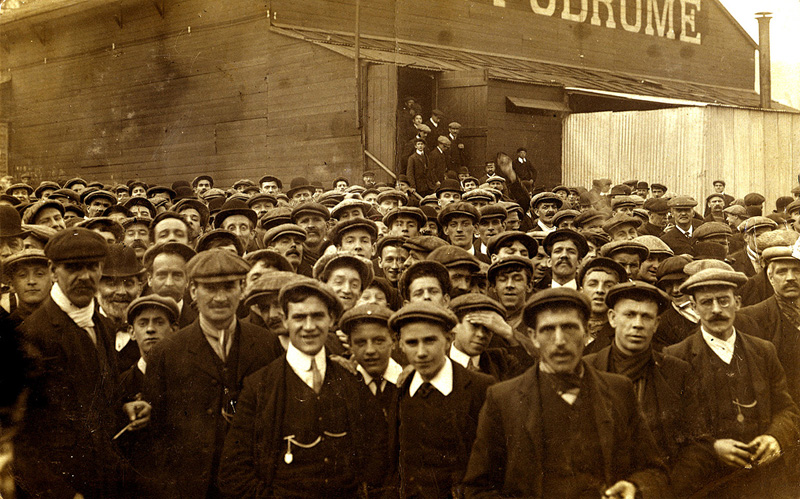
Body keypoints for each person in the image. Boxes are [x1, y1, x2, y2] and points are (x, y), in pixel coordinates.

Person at [463, 288, 669, 498]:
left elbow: (654, 471)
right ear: (533, 337)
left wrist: (634, 487)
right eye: (548, 330)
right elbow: (477, 488)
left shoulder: (619, 391)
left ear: (586, 332)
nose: (560, 340)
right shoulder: (503, 398)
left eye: (569, 328)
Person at [218, 278, 388, 497]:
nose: (309, 327)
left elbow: (378, 455)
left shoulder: (350, 381)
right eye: (299, 317)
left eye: (317, 316)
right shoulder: (259, 386)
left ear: (331, 319)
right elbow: (233, 472)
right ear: (286, 320)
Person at [15, 228, 151, 498]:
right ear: (53, 271)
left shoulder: (102, 325)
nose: (85, 276)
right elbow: (18, 438)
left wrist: (124, 408)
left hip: (103, 481)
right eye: (73, 268)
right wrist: (63, 494)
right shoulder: (31, 335)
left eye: (92, 267)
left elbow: (96, 399)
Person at [144, 249, 283, 498]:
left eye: (229, 287)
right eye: (210, 288)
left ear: (242, 290)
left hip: (251, 485)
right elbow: (157, 435)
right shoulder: (167, 352)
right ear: (193, 291)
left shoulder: (266, 344)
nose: (220, 298)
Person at [665, 265, 800, 497]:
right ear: (694, 307)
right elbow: (671, 427)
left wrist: (775, 437)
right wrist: (712, 448)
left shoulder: (763, 350)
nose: (716, 310)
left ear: (737, 303)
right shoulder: (675, 357)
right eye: (707, 302)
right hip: (709, 482)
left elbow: (786, 409)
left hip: (766, 479)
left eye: (724, 301)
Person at [584, 281, 700, 467]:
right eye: (629, 315)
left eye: (646, 317)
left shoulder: (678, 372)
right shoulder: (585, 370)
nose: (637, 324)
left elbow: (696, 445)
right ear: (612, 318)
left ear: (656, 324)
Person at [388, 301, 495, 498]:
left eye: (430, 341)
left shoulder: (482, 388)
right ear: (401, 345)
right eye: (412, 343)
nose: (421, 352)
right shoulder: (402, 390)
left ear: (447, 340)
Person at [339, 302, 403, 416]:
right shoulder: (345, 386)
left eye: (379, 341)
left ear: (393, 341)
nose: (370, 350)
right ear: (350, 345)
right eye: (361, 342)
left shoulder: (406, 382)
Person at [97, 244, 148, 372]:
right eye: (112, 284)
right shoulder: (85, 328)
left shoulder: (149, 329)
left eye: (129, 284)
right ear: (96, 287)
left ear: (140, 288)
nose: (121, 292)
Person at [449, 292, 521, 381]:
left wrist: (509, 333)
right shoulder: (437, 360)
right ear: (454, 326)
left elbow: (530, 376)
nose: (481, 334)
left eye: (487, 328)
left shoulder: (501, 361)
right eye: (474, 325)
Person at [578, 257, 628, 355]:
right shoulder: (567, 328)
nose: (600, 290)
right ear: (581, 291)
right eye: (592, 284)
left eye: (608, 286)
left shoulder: (622, 333)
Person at [143, 242, 198, 328]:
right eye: (162, 275)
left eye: (177, 275)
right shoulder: (138, 319)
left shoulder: (198, 321)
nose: (169, 283)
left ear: (187, 280)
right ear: (150, 279)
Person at [3, 248, 51, 326]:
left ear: (53, 277)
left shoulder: (67, 322)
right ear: (11, 283)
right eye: (22, 275)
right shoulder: (5, 328)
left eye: (39, 274)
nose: (31, 281)